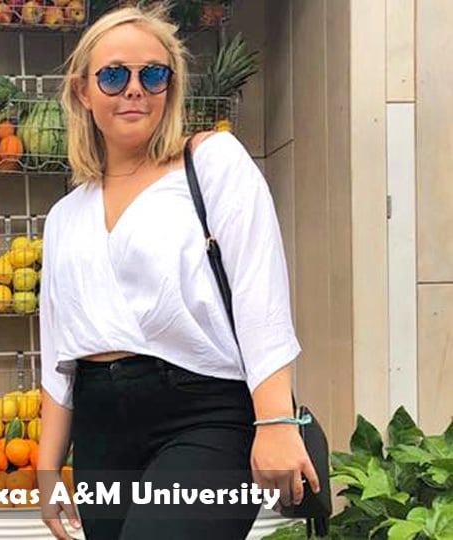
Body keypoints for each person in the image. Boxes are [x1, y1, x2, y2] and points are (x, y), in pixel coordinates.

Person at [37, 5, 319, 540]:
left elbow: (261, 296)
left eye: (154, 74)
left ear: (171, 85)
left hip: (203, 412)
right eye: (114, 75)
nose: (135, 89)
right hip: (101, 429)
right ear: (82, 91)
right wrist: (49, 468)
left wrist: (276, 421)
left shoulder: (212, 162)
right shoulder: (64, 217)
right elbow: (58, 352)